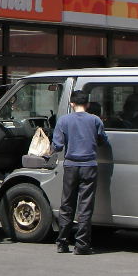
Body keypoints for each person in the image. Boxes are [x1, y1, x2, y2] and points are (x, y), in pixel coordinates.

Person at [53, 89, 108, 255]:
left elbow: (58, 146)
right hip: (89, 166)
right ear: (88, 104)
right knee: (85, 206)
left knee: (67, 204)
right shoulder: (95, 120)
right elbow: (103, 141)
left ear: (72, 103)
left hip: (71, 166)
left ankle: (62, 243)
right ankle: (82, 245)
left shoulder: (64, 121)